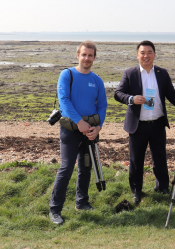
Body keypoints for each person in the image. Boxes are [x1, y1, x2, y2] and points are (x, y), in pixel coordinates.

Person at [114, 40, 175, 204]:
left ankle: (162, 188)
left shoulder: (162, 73)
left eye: (149, 52)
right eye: (142, 53)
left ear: (154, 55)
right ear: (137, 55)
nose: (146, 56)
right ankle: (136, 191)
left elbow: (171, 94)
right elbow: (118, 93)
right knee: (135, 161)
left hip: (157, 124)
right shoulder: (130, 73)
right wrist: (132, 99)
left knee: (160, 158)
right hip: (137, 125)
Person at [49, 41, 108, 224]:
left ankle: (81, 202)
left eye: (90, 55)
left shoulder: (97, 80)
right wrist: (79, 122)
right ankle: (55, 209)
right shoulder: (67, 75)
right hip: (70, 130)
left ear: (94, 58)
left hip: (90, 131)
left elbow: (103, 106)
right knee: (66, 168)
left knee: (86, 167)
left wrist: (97, 128)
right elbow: (64, 101)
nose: (87, 58)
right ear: (78, 55)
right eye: (84, 54)